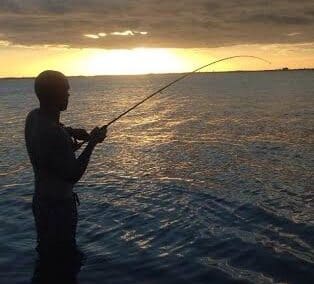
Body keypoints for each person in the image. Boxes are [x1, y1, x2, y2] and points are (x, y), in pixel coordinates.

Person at [24, 70, 107, 283]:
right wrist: (92, 143)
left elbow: (53, 134)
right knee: (64, 263)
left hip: (40, 202)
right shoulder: (55, 135)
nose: (69, 95)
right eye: (66, 91)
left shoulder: (33, 117)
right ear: (56, 95)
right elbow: (72, 175)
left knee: (46, 255)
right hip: (59, 208)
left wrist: (70, 131)